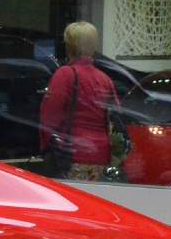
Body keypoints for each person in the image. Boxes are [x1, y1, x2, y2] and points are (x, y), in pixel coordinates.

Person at [37, 21, 121, 183]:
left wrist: (47, 147)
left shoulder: (65, 75)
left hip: (71, 154)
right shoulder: (105, 79)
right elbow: (115, 116)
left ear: (69, 46)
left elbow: (49, 117)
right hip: (101, 155)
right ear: (93, 47)